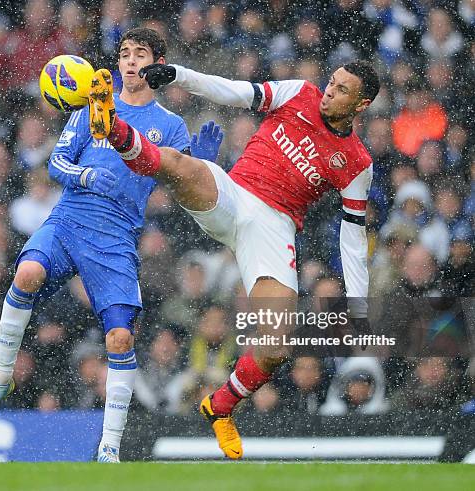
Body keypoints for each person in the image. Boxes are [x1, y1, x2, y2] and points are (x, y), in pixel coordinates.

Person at [87, 58, 379, 459]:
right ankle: (113, 128)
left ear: (361, 105)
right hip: (233, 194)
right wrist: (179, 75)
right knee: (177, 164)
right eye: (332, 83)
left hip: (273, 230)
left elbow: (352, 236)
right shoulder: (300, 93)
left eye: (343, 90)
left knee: (277, 343)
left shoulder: (358, 163)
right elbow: (237, 91)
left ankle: (220, 406)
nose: (330, 91)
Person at [0, 28, 222, 464]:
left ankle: (109, 449)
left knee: (121, 338)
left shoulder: (171, 126)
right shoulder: (93, 108)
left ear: (157, 64)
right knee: (27, 273)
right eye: (124, 54)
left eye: (139, 55)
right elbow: (57, 163)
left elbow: (183, 190)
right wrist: (84, 176)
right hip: (69, 219)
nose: (128, 61)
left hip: (115, 237)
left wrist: (202, 166)